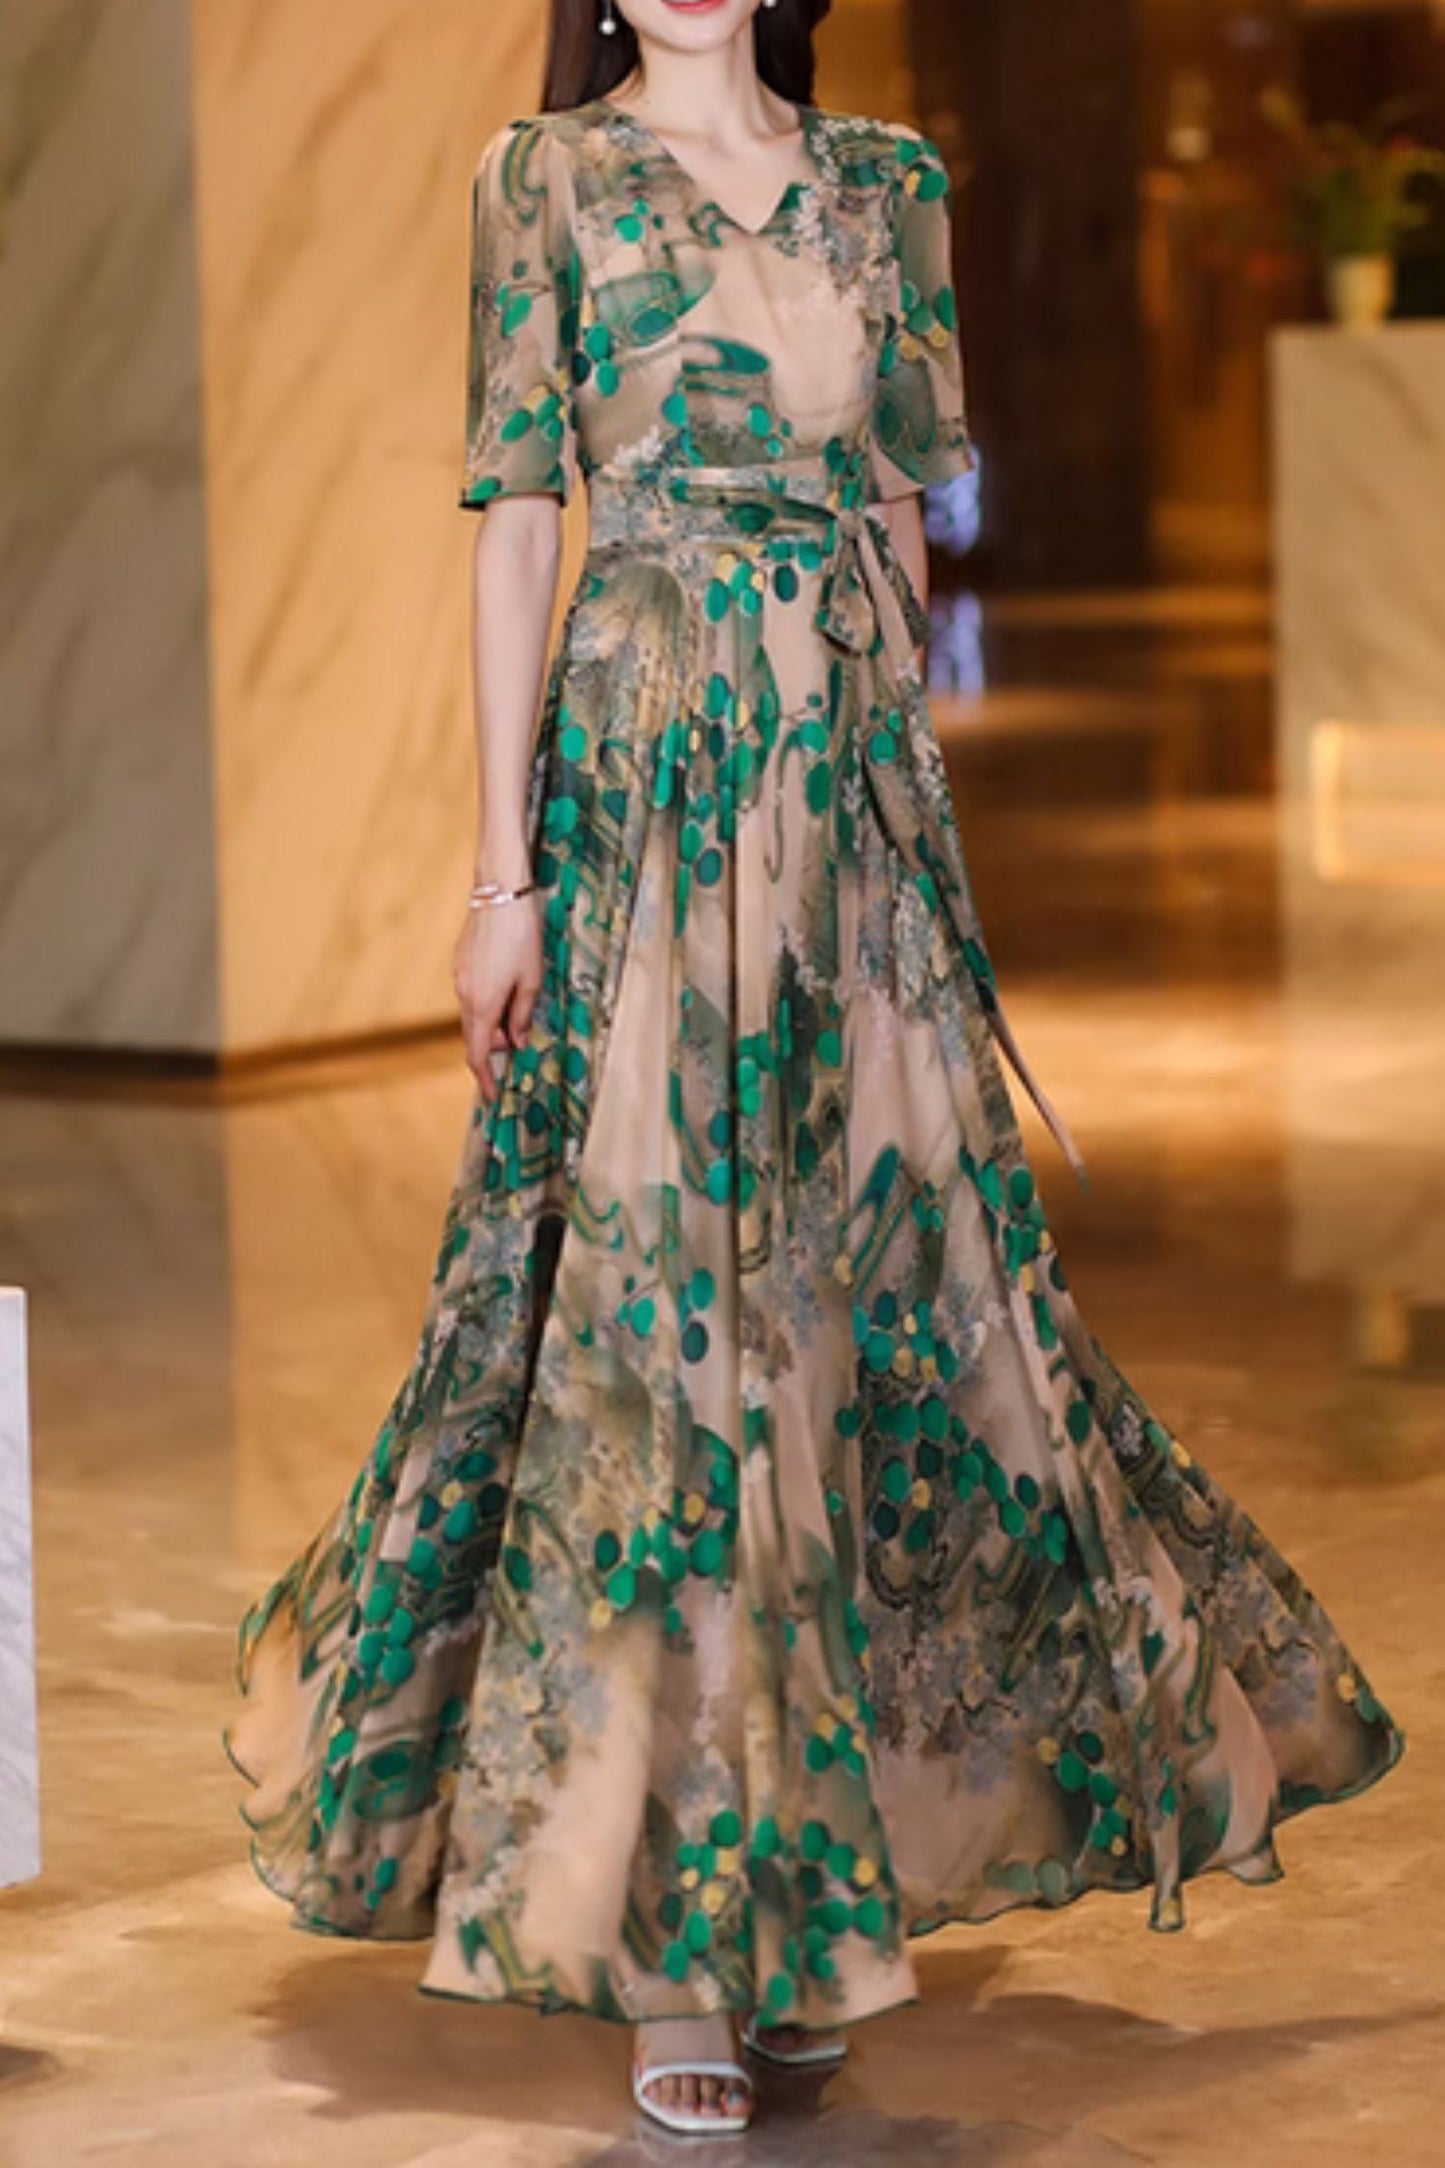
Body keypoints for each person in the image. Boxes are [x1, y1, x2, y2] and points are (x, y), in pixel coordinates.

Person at [225, 0, 1403, 2140]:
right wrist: (498, 879)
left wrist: (907, 846)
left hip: (846, 824)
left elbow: (901, 526)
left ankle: (806, 1894)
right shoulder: (544, 180)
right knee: (662, 1353)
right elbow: (515, 521)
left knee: (865, 1340)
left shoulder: (889, 190)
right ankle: (684, 1939)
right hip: (638, 811)